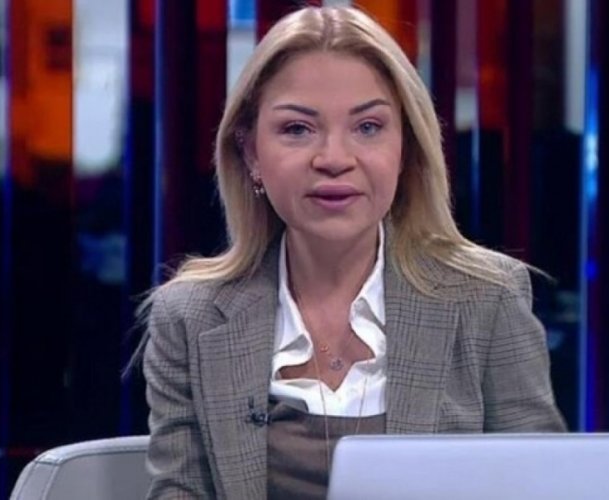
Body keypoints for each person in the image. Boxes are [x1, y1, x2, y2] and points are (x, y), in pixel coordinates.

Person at [141, 5, 566, 499]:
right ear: (251, 152)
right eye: (297, 129)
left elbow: (542, 489)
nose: (334, 159)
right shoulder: (189, 317)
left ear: (405, 148)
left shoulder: (487, 300)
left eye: (367, 127)